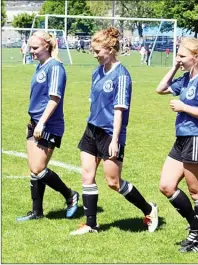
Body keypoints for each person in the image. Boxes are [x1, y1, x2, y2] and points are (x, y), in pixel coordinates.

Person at [70, 27, 158, 235]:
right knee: (87, 175)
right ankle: (91, 224)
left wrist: (115, 140)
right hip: (91, 129)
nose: (95, 55)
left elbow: (119, 110)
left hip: (110, 133)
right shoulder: (96, 72)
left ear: (110, 49)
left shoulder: (122, 75)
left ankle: (149, 209)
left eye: (97, 51)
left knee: (113, 182)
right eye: (93, 51)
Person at [156, 37, 198, 252]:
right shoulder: (186, 78)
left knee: (197, 192)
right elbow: (161, 88)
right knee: (166, 185)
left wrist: (184, 107)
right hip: (182, 138)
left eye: (182, 56)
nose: (178, 59)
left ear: (196, 57)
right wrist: (174, 66)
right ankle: (195, 227)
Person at [16, 31, 80, 222]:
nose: (31, 51)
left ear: (47, 46)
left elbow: (54, 98)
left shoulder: (55, 67)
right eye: (30, 48)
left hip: (48, 124)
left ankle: (70, 195)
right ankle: (37, 212)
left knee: (39, 168)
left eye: (35, 48)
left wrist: (42, 122)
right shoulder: (41, 66)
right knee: (34, 171)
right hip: (34, 122)